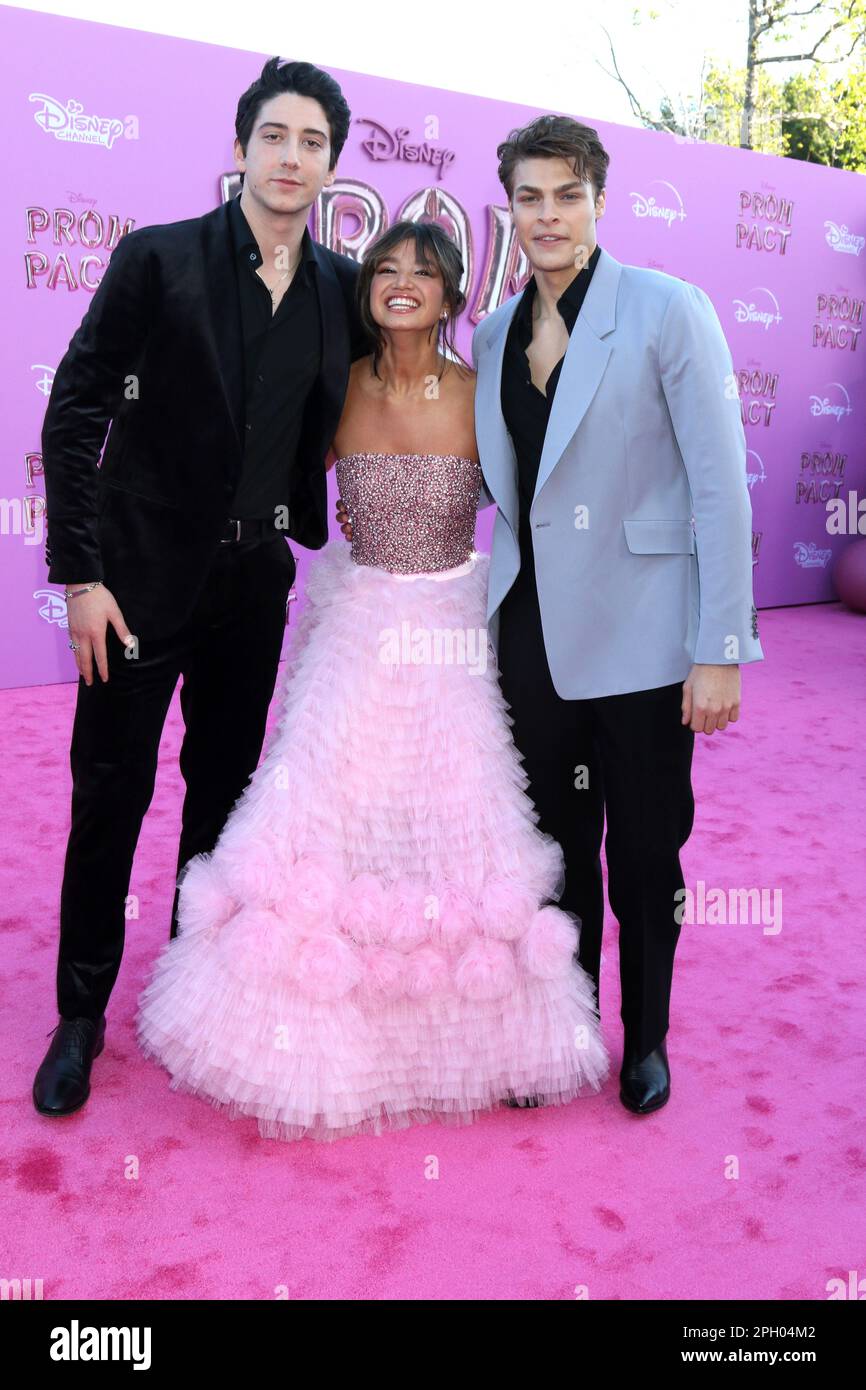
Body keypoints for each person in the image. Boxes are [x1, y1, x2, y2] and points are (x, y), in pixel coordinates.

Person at [135, 220, 610, 1143]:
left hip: (451, 635)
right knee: (327, 815)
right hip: (353, 631)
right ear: (368, 290)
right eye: (385, 269)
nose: (401, 284)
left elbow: (546, 507)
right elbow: (258, 466)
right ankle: (310, 1032)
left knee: (455, 821)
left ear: (450, 295)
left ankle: (489, 1043)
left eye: (422, 274)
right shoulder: (335, 387)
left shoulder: (482, 398)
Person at [33, 57, 369, 1118]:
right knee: (112, 793)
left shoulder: (339, 289)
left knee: (222, 800)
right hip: (134, 581)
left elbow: (347, 419)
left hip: (255, 580)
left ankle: (190, 988)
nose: (290, 157)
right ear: (239, 147)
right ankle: (79, 1013)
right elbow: (77, 408)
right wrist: (79, 574)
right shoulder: (159, 260)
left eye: (312, 142)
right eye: (274, 135)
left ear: (330, 165)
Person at [454, 115, 764, 1113]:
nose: (546, 215)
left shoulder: (667, 310)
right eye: (529, 197)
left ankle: (647, 1038)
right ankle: (566, 1028)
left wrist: (717, 647)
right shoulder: (493, 330)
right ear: (510, 208)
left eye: (565, 194)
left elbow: (719, 487)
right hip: (529, 638)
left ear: (597, 198)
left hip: (640, 641)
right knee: (552, 846)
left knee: (640, 849)